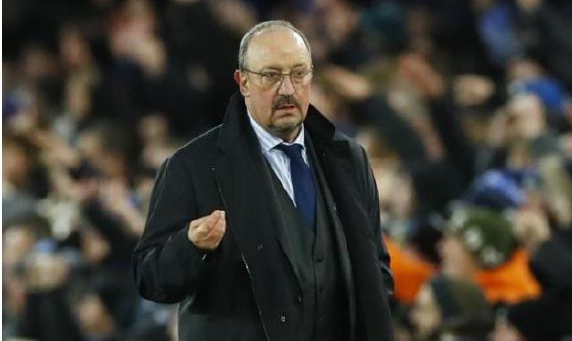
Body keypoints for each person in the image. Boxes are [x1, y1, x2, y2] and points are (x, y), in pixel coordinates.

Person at [132, 20, 394, 341]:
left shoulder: (349, 159)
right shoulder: (192, 167)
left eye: (298, 74)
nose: (287, 89)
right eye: (271, 76)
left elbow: (376, 266)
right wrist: (189, 245)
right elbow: (150, 277)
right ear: (242, 83)